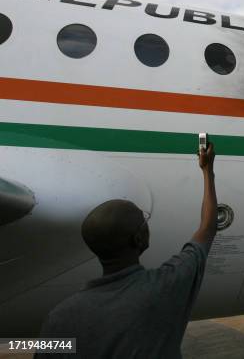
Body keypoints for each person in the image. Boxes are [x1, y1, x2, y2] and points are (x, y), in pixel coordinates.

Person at [35, 143, 218, 359]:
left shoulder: (59, 318)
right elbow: (207, 228)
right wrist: (207, 171)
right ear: (138, 239)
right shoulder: (166, 287)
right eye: (144, 222)